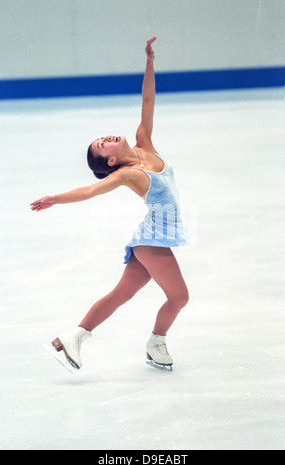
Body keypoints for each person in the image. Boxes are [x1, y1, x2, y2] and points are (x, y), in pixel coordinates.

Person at [31, 38, 189, 372]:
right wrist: (55, 198)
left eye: (103, 139)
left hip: (155, 234)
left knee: (121, 294)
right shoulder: (127, 175)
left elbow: (148, 99)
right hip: (153, 238)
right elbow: (90, 190)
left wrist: (149, 62)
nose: (107, 138)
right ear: (112, 160)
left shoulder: (145, 142)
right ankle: (156, 342)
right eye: (102, 145)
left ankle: (73, 336)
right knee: (180, 297)